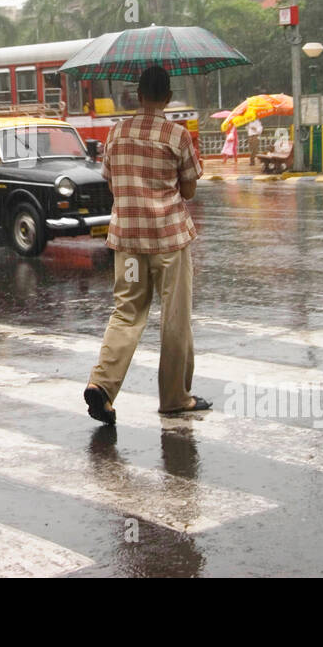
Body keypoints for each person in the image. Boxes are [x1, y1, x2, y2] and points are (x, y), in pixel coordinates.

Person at [84, 65, 208, 425]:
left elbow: (110, 181)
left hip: (128, 242)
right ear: (168, 97)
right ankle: (174, 398)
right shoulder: (176, 135)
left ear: (138, 95)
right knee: (175, 317)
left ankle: (102, 385)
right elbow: (188, 189)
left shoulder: (117, 133)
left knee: (127, 312)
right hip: (169, 241)